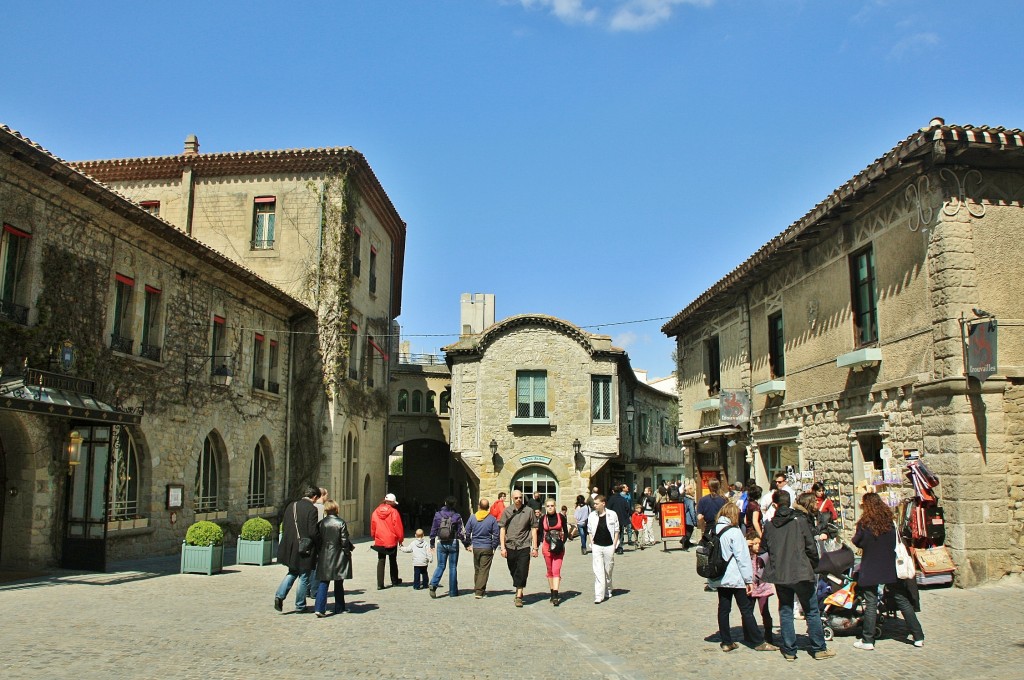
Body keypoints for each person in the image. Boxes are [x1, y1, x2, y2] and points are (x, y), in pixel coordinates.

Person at [761, 490, 835, 661]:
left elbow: (765, 548)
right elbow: (811, 547)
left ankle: (789, 650)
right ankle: (818, 648)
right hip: (801, 571)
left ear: (775, 505)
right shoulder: (800, 521)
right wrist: (815, 565)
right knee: (811, 610)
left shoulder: (770, 525)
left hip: (781, 573)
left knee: (786, 610)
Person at [852, 492, 925, 650]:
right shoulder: (890, 522)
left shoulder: (864, 524)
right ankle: (918, 636)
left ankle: (868, 640)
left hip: (871, 566)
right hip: (890, 566)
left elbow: (857, 542)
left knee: (871, 603)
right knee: (902, 600)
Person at [710, 503, 776, 652]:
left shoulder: (714, 529)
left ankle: (726, 641)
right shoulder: (735, 531)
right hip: (735, 576)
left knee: (724, 608)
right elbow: (743, 558)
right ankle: (758, 641)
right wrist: (748, 579)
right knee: (746, 609)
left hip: (720, 575)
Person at [274, 485, 321, 613]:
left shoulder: (291, 506)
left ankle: (279, 595)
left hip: (290, 546)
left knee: (292, 572)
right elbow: (312, 532)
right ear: (315, 497)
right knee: (304, 575)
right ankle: (300, 605)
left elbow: (285, 525)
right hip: (305, 547)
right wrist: (319, 543)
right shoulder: (312, 509)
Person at [498, 489, 539, 608]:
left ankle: (519, 595)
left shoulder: (529, 511)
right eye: (516, 498)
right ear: (512, 498)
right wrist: (502, 547)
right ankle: (518, 585)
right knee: (513, 569)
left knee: (522, 569)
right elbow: (502, 529)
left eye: (520, 497)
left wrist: (535, 547)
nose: (518, 500)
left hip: (524, 545)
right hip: (510, 545)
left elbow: (534, 528)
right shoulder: (507, 511)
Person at [314, 499, 354, 617]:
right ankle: (339, 607)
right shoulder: (340, 522)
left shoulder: (321, 523)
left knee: (323, 582)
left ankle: (319, 608)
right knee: (338, 582)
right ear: (336, 509)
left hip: (325, 555)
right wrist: (347, 553)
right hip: (338, 555)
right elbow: (344, 541)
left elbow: (318, 540)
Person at [428, 495, 465, 598]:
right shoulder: (456, 515)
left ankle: (433, 584)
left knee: (440, 565)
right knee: (453, 567)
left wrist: (432, 542)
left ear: (445, 503)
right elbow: (461, 531)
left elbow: (433, 529)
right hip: (453, 542)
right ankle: (453, 592)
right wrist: (465, 543)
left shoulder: (438, 515)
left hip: (441, 542)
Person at [464, 498, 500, 598]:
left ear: (479, 506)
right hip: (487, 546)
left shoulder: (472, 517)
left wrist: (468, 544)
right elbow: (496, 534)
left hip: (476, 547)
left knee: (477, 569)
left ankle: (478, 588)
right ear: (488, 507)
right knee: (484, 570)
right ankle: (479, 591)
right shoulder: (492, 519)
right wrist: (494, 546)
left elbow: (467, 532)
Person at [587, 494, 620, 604]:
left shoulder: (612, 514)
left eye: (596, 504)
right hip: (597, 545)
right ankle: (599, 595)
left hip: (609, 545)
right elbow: (590, 531)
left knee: (608, 569)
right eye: (594, 504)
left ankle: (608, 589)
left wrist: (614, 544)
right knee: (598, 570)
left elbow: (616, 530)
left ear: (603, 504)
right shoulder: (592, 516)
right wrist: (592, 543)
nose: (594, 505)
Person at [369, 492, 405, 590]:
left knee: (381, 560)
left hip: (380, 539)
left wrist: (374, 536)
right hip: (391, 539)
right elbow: (398, 526)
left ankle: (380, 583)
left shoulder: (376, 511)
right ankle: (394, 580)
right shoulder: (394, 512)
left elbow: (373, 525)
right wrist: (400, 538)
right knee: (393, 560)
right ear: (393, 503)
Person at [748, 529, 775, 645]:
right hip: (751, 587)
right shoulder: (746, 556)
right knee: (748, 612)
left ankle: (768, 634)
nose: (757, 546)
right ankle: (748, 634)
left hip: (763, 586)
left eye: (759, 543)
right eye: (754, 544)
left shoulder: (764, 555)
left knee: (765, 611)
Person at [539, 498, 568, 606]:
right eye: (548, 506)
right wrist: (536, 547)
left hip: (559, 548)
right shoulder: (543, 518)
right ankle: (552, 592)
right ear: (545, 507)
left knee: (556, 570)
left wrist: (562, 542)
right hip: (547, 547)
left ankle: (555, 594)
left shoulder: (561, 517)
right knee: (550, 570)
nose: (550, 507)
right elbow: (540, 533)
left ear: (555, 506)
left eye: (552, 505)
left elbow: (566, 531)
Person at [606, 486, 631, 555]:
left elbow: (608, 509)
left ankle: (613, 546)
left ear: (613, 491)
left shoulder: (611, 499)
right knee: (620, 533)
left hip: (613, 519)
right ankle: (620, 547)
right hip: (621, 518)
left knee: (613, 533)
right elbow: (628, 509)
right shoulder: (623, 499)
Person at [681, 481, 698, 550]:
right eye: (693, 491)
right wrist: (695, 521)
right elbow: (692, 511)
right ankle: (685, 543)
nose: (694, 492)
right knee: (689, 531)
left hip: (685, 518)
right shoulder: (690, 500)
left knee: (687, 531)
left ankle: (686, 541)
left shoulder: (685, 498)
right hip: (689, 519)